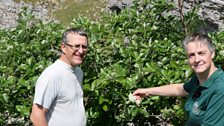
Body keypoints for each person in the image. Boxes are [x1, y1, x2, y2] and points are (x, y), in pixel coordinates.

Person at [133, 33, 224, 125]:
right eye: (191, 55)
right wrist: (147, 91)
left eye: (201, 53)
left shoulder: (220, 88)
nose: (196, 59)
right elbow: (179, 89)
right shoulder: (200, 79)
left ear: (212, 53)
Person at [30, 28, 88, 126]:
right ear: (63, 47)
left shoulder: (78, 72)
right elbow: (36, 116)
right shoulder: (52, 74)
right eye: (76, 46)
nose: (81, 51)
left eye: (84, 47)